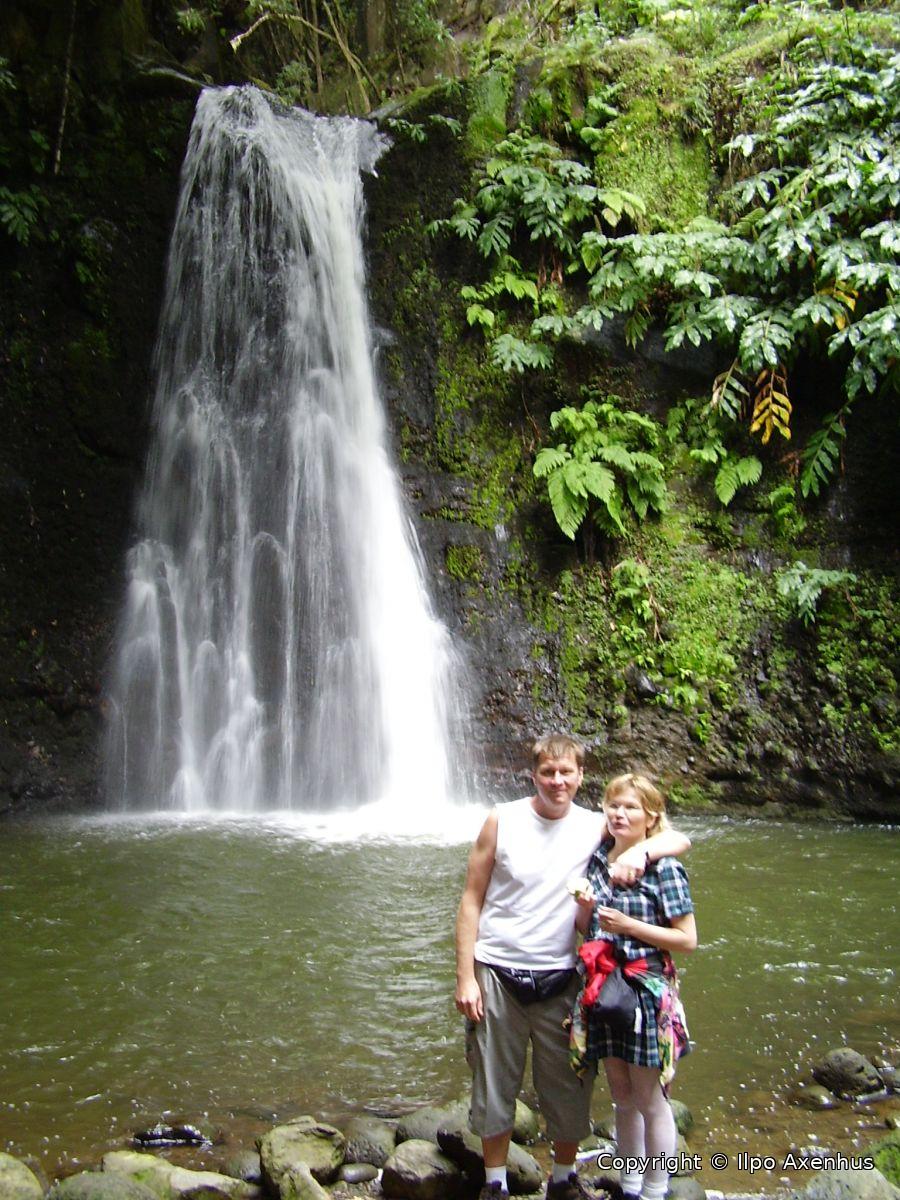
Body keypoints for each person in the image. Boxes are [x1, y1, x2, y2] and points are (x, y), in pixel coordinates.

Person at [455, 736, 691, 1200]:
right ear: (533, 775)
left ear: (581, 777)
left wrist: (643, 853)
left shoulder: (595, 826)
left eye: (566, 772)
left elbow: (674, 836)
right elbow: (470, 899)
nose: (557, 781)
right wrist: (465, 977)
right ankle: (495, 1184)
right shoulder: (502, 819)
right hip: (496, 970)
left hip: (563, 976)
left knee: (569, 1084)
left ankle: (563, 1180)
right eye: (548, 772)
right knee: (493, 1083)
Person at [569, 773, 697, 1200]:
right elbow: (585, 929)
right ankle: (629, 1186)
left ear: (651, 817)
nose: (619, 814)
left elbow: (687, 940)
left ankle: (656, 1189)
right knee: (621, 1096)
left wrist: (630, 926)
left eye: (630, 808)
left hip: (644, 992)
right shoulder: (598, 860)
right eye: (613, 805)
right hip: (603, 989)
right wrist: (585, 907)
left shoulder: (665, 868)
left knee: (650, 1098)